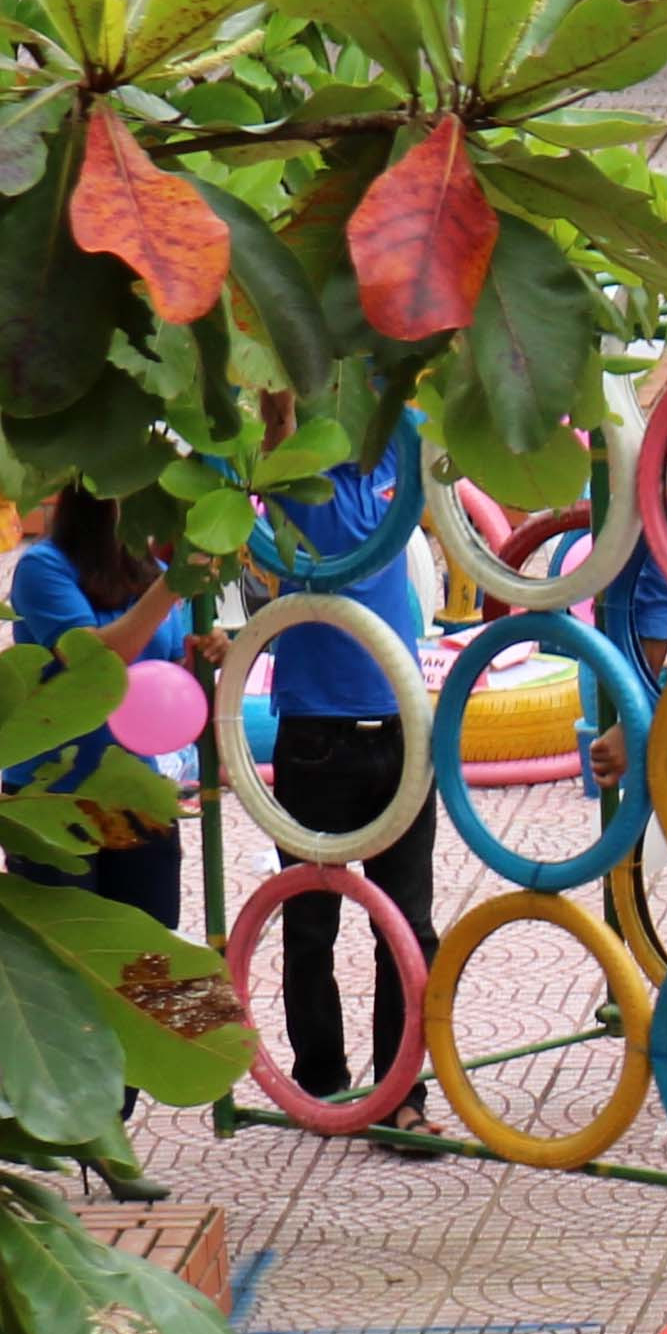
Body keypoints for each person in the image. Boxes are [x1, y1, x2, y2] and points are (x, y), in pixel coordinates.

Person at [249, 445, 439, 1130]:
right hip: (317, 737)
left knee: (410, 927)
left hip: (404, 732)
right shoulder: (297, 470)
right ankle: (322, 1081)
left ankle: (400, 1097)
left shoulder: (400, 457)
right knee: (310, 924)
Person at [7, 488, 190, 938]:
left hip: (136, 791)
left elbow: (166, 677)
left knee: (149, 956)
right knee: (66, 955)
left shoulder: (156, 574)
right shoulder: (42, 568)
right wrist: (170, 589)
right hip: (51, 795)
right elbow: (96, 660)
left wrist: (203, 656)